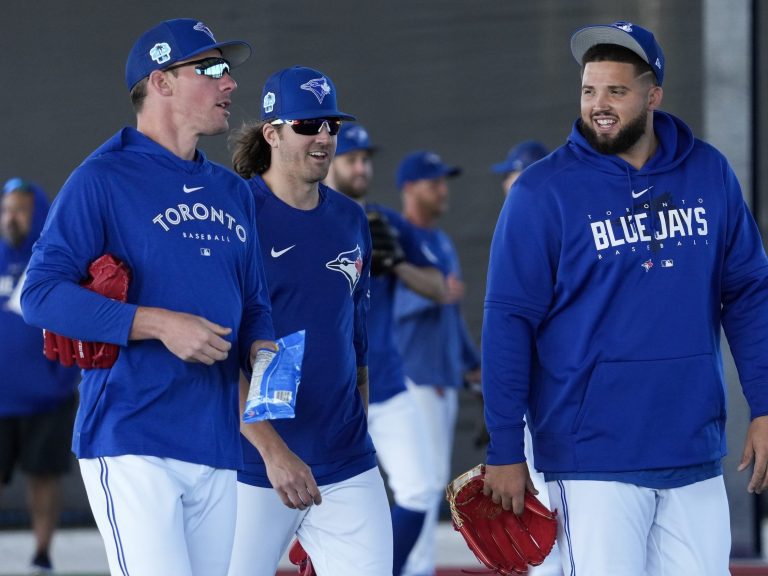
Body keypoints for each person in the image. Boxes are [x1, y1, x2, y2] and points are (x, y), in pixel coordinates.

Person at [481, 20, 768, 576]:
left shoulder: (709, 172)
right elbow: (508, 323)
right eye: (589, 91)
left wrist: (765, 406)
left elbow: (750, 294)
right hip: (588, 457)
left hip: (692, 449)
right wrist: (504, 448)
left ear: (653, 94)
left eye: (617, 90)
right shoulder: (542, 192)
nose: (599, 105)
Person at [20, 19, 275, 576]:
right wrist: (159, 323)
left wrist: (265, 356)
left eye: (228, 70)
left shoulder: (233, 191)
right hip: (133, 437)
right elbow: (37, 294)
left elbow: (256, 304)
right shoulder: (102, 178)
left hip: (216, 443)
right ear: (160, 82)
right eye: (210, 69)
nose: (230, 83)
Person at [228, 66, 392, 576]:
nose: (323, 136)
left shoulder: (349, 217)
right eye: (307, 125)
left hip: (345, 461)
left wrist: (356, 422)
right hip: (253, 464)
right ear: (272, 134)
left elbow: (354, 337)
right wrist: (275, 453)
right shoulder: (235, 214)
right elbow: (215, 359)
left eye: (331, 125)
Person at [324, 123, 446, 575]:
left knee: (421, 487)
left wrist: (396, 264)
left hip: (388, 382)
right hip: (329, 389)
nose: (361, 167)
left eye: (365, 159)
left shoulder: (387, 223)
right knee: (313, 501)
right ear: (330, 159)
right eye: (352, 158)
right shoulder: (312, 219)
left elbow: (440, 287)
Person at [392, 151, 481, 576]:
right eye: (433, 182)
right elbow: (381, 306)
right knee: (420, 489)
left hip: (443, 380)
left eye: (444, 182)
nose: (442, 190)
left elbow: (451, 313)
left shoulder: (441, 241)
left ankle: (417, 567)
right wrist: (428, 292)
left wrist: (471, 363)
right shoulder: (396, 235)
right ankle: (405, 567)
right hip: (411, 380)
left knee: (430, 487)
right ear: (410, 187)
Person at [0, 178, 80, 575]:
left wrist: (60, 382)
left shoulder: (55, 260)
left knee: (44, 478)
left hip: (48, 400)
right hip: (1, 398)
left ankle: (42, 557)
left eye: (19, 208)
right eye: (5, 209)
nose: (10, 217)